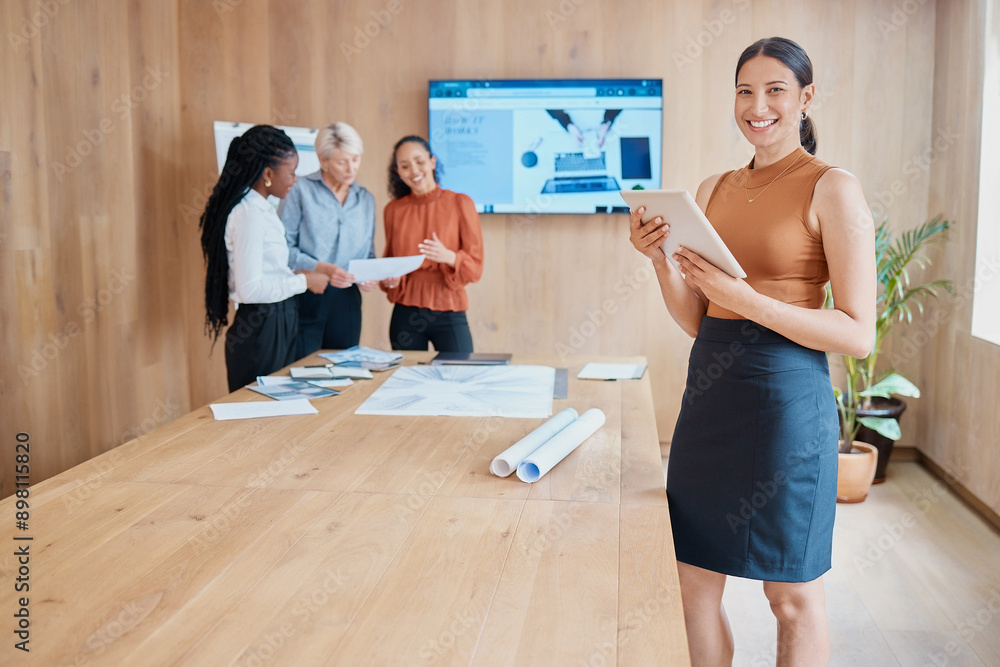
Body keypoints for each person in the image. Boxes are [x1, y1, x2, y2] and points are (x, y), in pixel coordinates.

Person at [628, 37, 876, 666]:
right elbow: (699, 320)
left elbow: (858, 333)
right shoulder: (713, 188)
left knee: (790, 596)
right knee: (692, 585)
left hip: (786, 404)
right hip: (710, 401)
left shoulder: (832, 187)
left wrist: (747, 299)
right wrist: (661, 261)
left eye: (775, 90)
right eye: (745, 91)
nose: (757, 106)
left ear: (805, 98)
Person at [199, 125, 328, 392]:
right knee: (261, 409)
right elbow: (250, 290)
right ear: (268, 174)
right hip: (261, 327)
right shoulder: (249, 214)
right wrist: (303, 282)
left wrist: (298, 277)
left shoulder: (262, 209)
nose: (295, 179)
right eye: (291, 172)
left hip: (275, 321)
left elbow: (269, 272)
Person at [279, 121, 376, 357]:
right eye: (342, 162)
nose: (351, 168)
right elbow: (284, 249)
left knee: (346, 368)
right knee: (303, 369)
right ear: (323, 160)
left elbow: (369, 253)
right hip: (307, 294)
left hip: (348, 300)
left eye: (356, 159)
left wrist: (369, 276)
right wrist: (322, 268)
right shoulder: (299, 190)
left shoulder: (365, 199)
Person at [380, 135, 484, 352]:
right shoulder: (393, 210)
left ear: (432, 162)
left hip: (449, 305)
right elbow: (389, 262)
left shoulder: (461, 203)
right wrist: (391, 279)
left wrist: (449, 256)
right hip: (405, 311)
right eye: (405, 166)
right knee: (407, 372)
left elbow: (475, 268)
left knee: (460, 370)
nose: (414, 171)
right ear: (398, 172)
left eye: (419, 162)